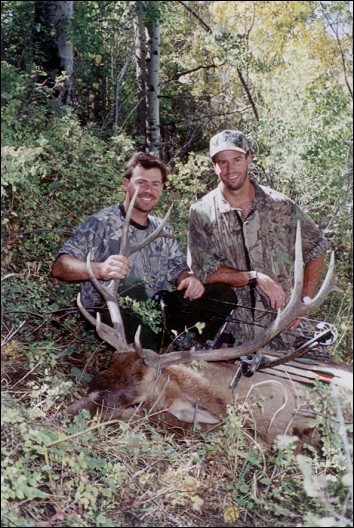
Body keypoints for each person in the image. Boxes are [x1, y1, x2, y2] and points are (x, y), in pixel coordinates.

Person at [52, 151, 237, 351]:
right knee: (135, 301)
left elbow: (179, 270)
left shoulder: (162, 229)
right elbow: (60, 267)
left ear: (162, 188)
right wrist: (99, 269)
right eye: (141, 183)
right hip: (113, 313)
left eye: (155, 184)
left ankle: (187, 343)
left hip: (155, 309)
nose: (148, 190)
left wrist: (190, 279)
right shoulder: (100, 223)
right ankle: (167, 347)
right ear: (126, 184)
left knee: (223, 294)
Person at [187, 130, 330, 351]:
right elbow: (203, 271)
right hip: (228, 337)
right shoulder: (201, 212)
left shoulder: (281, 206)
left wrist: (304, 301)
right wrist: (254, 277)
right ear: (214, 166)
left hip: (282, 331)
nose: (230, 169)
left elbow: (318, 248)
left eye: (236, 160)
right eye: (222, 162)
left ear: (249, 159)